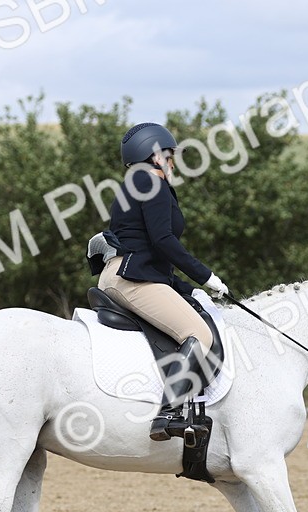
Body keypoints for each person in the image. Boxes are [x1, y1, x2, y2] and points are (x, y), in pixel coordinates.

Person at [97, 122, 230, 441]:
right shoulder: (151, 183)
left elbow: (148, 252)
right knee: (198, 332)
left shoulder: (134, 184)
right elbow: (163, 241)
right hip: (132, 279)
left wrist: (189, 289)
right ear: (154, 155)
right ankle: (168, 412)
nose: (172, 163)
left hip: (128, 273)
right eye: (169, 157)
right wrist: (206, 275)